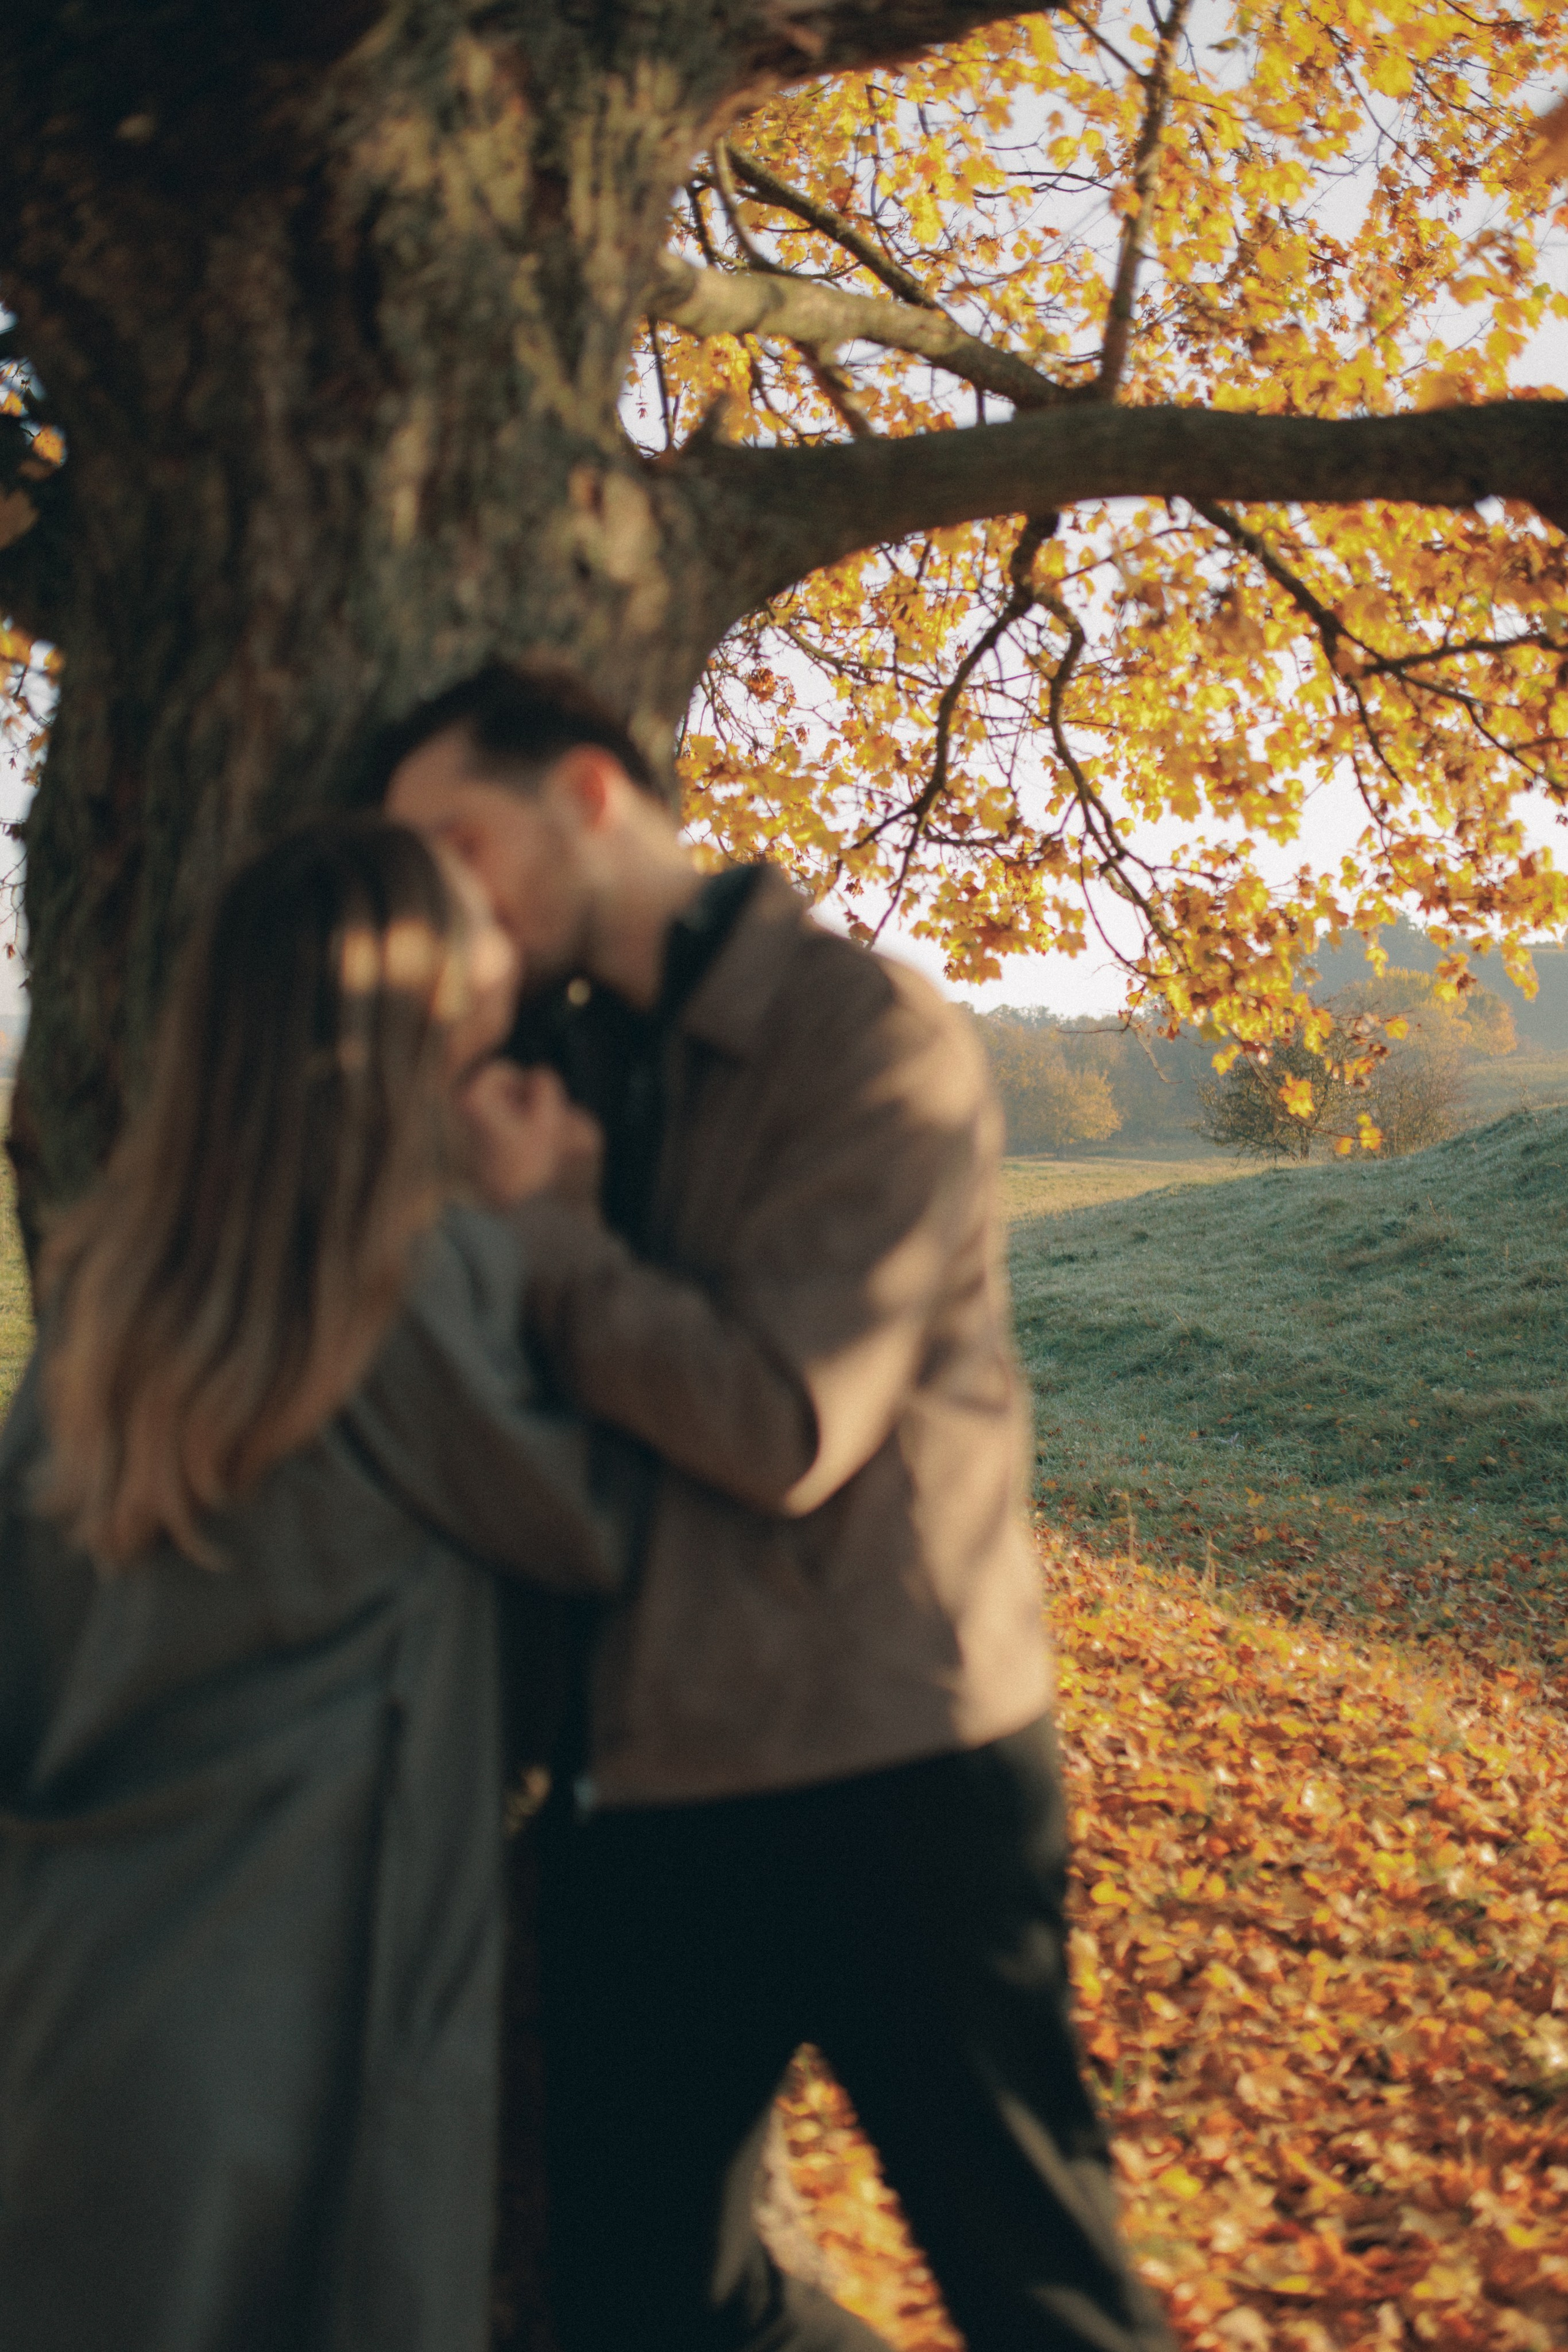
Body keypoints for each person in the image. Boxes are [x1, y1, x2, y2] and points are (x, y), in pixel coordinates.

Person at [383, 666, 1175, 2352]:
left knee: (1034, 2285)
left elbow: (783, 1421)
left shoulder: (862, 1030)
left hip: (897, 1762)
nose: (450, 898)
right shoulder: (535, 1066)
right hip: (643, 1785)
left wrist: (555, 1243)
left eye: (463, 841)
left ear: (590, 795)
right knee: (643, 2313)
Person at [0, 818, 618, 2352]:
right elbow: (608, 1534)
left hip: (73, 1975)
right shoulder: (421, 1286)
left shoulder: (107, 1284)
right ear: (422, 1002)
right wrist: (555, 1223)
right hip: (289, 2014)